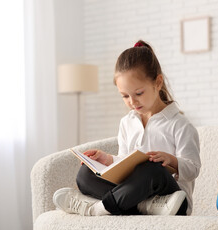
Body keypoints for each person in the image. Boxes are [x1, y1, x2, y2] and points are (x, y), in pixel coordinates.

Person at [53, 40, 201, 216]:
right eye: (125, 96)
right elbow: (125, 165)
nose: (132, 101)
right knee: (85, 173)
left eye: (139, 93)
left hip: (173, 200)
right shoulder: (126, 122)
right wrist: (107, 160)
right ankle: (143, 206)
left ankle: (97, 208)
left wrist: (172, 160)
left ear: (158, 82)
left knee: (151, 169)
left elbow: (193, 169)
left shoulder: (180, 124)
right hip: (136, 194)